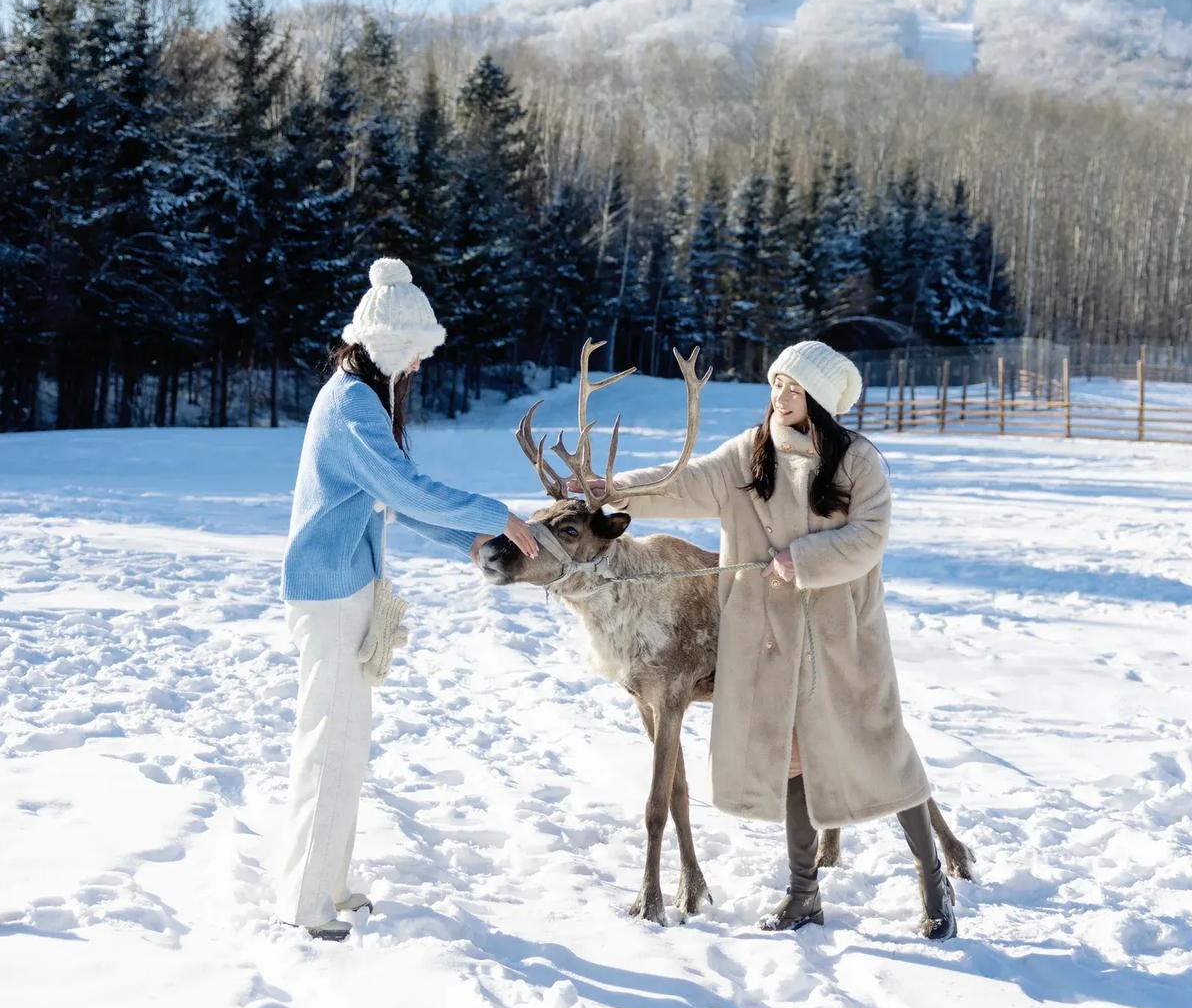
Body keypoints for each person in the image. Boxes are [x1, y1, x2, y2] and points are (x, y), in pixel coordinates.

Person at [581, 340, 956, 938]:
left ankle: (934, 884)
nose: (779, 396)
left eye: (793, 387)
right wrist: (617, 488)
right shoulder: (749, 454)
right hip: (771, 637)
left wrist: (802, 559)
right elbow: (684, 482)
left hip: (842, 633)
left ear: (821, 402)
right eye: (776, 383)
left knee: (880, 747)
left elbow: (869, 537)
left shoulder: (859, 461)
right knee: (793, 759)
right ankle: (804, 895)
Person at [275, 257, 538, 941]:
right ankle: (305, 907)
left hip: (348, 591)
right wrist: (494, 515)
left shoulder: (358, 399)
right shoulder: (352, 403)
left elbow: (395, 496)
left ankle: (327, 885)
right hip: (330, 598)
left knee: (346, 747)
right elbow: (408, 490)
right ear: (392, 348)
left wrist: (472, 545)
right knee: (329, 747)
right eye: (417, 355)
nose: (419, 368)